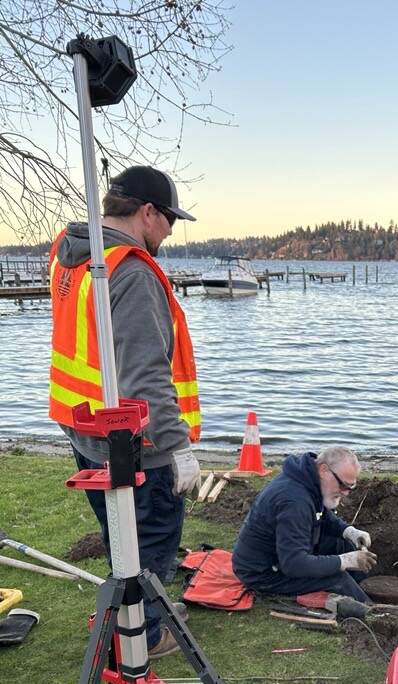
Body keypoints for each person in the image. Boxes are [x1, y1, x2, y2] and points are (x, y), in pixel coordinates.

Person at [48, 166, 202, 657]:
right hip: (135, 446)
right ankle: (144, 637)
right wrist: (178, 448)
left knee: (121, 539)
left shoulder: (73, 255)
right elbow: (146, 377)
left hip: (84, 430)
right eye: (169, 220)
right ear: (147, 212)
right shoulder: (132, 272)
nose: (171, 232)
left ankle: (131, 616)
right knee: (152, 542)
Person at [233, 447, 377, 602]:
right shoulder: (294, 501)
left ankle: (363, 591)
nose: (345, 492)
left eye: (350, 488)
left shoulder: (307, 479)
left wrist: (348, 531)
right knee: (338, 579)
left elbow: (321, 515)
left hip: (283, 556)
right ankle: (372, 613)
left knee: (343, 544)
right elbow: (294, 564)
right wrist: (344, 561)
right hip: (263, 573)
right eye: (343, 485)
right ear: (324, 470)